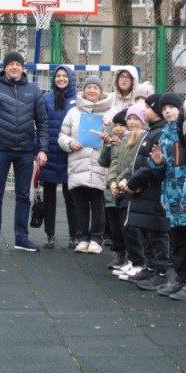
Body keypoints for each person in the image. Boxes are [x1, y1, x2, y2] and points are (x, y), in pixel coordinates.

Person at [0, 52, 48, 253]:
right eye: (11, 64)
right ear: (5, 67)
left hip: (25, 151)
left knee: (24, 196)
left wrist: (42, 149)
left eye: (18, 64)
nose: (15, 67)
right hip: (0, 151)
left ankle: (22, 238)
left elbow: (42, 123)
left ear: (23, 67)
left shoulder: (34, 91)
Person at [117, 96, 174, 290]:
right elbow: (139, 162)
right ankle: (150, 267)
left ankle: (160, 272)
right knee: (147, 231)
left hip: (154, 191)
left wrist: (132, 182)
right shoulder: (152, 132)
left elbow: (152, 166)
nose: (144, 111)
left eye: (148, 107)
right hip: (144, 191)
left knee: (157, 232)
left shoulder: (161, 133)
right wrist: (127, 178)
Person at [153, 94, 186, 302]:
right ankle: (180, 279)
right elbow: (163, 169)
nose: (167, 111)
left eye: (172, 107)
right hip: (171, 195)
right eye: (164, 108)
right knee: (177, 242)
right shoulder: (164, 133)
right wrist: (157, 162)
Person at [58, 75, 113, 253]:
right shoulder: (73, 112)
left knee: (98, 203)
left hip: (100, 164)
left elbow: (119, 137)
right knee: (80, 203)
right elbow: (62, 135)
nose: (91, 90)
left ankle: (96, 238)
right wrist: (69, 143)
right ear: (83, 90)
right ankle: (82, 237)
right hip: (78, 163)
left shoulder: (110, 112)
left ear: (101, 91)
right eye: (88, 87)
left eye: (95, 87)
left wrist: (109, 134)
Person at [105, 105, 148, 279]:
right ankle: (132, 260)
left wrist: (122, 180)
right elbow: (115, 160)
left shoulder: (143, 139)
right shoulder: (124, 138)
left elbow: (134, 164)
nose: (131, 122)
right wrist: (112, 181)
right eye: (129, 118)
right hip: (120, 186)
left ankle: (138, 261)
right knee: (123, 226)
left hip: (131, 187)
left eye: (135, 118)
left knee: (131, 226)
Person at [39, 66, 78, 249]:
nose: (61, 79)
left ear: (70, 78)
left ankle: (74, 235)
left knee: (72, 197)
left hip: (71, 153)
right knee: (49, 197)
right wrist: (40, 150)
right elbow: (42, 125)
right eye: (58, 76)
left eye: (64, 76)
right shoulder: (46, 98)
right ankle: (50, 235)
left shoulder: (79, 100)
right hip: (50, 152)